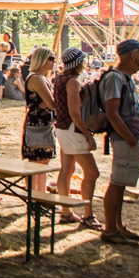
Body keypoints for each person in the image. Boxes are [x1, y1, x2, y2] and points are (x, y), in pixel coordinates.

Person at [100, 38, 139, 246]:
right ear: (132, 55)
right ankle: (110, 230)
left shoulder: (125, 78)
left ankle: (118, 227)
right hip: (124, 139)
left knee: (121, 185)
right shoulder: (115, 78)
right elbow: (112, 113)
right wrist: (130, 138)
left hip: (130, 138)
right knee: (117, 183)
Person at [53, 48, 102, 228]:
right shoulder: (72, 81)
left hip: (62, 129)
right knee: (92, 172)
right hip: (72, 130)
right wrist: (89, 135)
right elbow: (75, 113)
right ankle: (88, 214)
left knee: (66, 170)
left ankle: (65, 212)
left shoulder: (59, 78)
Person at [21, 47, 58, 192]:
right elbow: (53, 103)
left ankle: (40, 194)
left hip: (44, 123)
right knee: (35, 162)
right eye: (51, 58)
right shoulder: (36, 78)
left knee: (44, 161)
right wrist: (50, 102)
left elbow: (52, 102)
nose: (53, 62)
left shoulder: (43, 78)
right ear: (41, 59)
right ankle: (33, 196)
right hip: (37, 124)